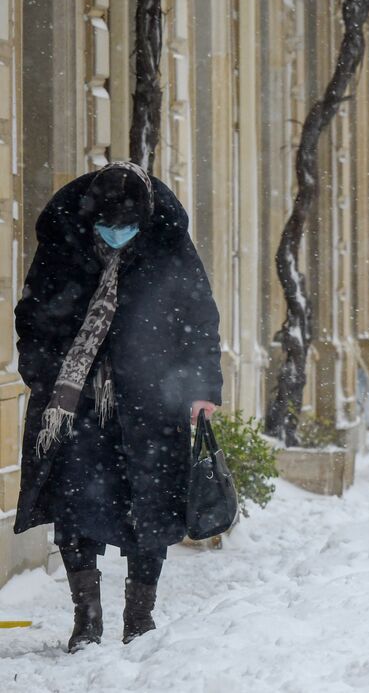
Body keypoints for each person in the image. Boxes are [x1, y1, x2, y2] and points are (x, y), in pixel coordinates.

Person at [14, 162, 223, 652]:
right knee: (75, 503)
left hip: (152, 395)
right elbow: (33, 314)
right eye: (108, 227)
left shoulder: (167, 241)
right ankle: (86, 619)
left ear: (145, 219)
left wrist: (200, 388)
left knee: (148, 505)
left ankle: (140, 617)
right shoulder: (65, 240)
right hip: (75, 401)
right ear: (92, 218)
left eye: (127, 227)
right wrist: (44, 378)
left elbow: (198, 316)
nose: (117, 236)